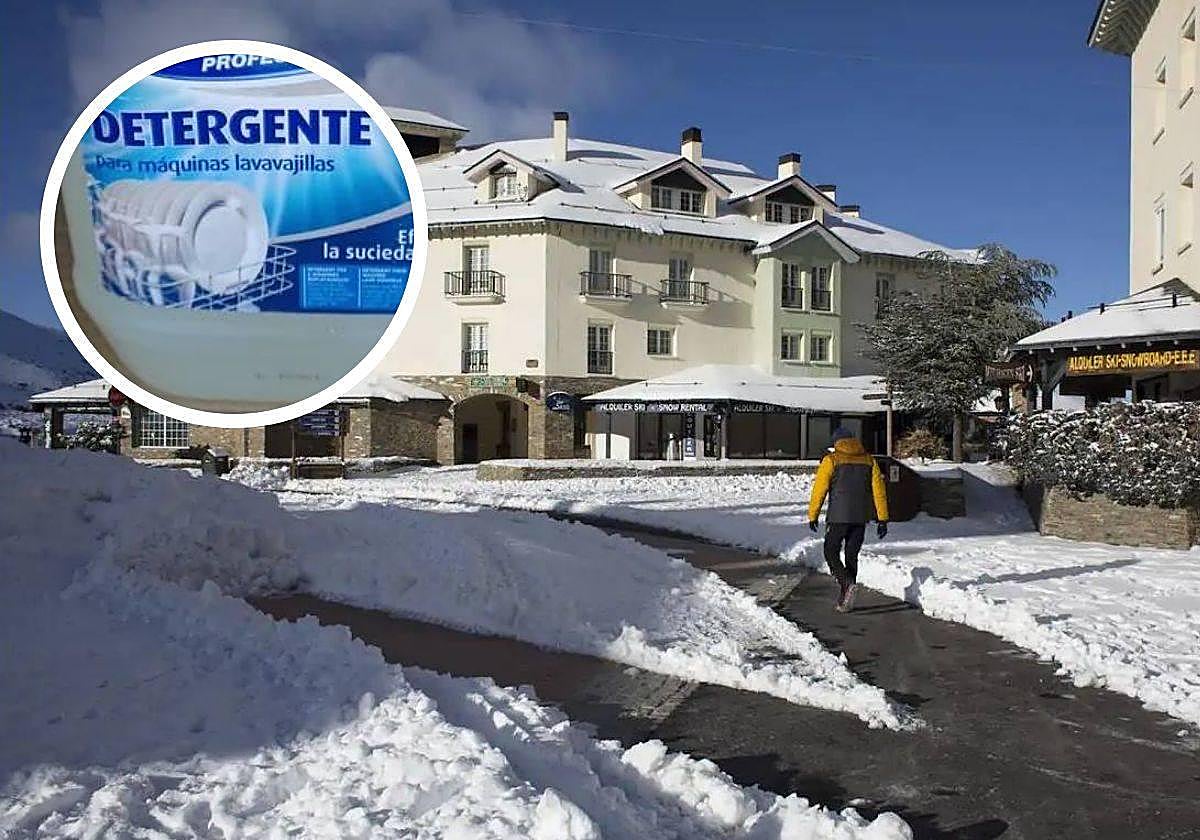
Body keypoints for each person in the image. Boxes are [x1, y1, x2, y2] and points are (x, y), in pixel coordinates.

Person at [807, 427, 889, 613]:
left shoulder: (832, 460)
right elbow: (879, 492)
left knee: (830, 551)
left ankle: (847, 583)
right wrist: (883, 518)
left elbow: (819, 489)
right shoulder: (869, 460)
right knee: (852, 555)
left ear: (836, 442)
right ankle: (846, 598)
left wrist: (813, 515)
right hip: (860, 518)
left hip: (838, 517)